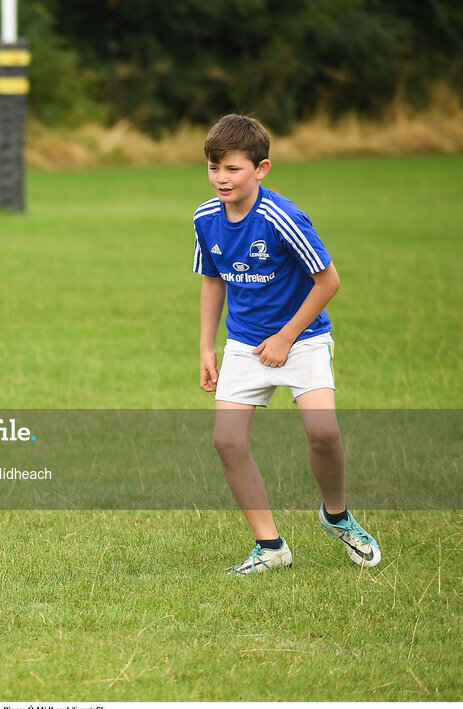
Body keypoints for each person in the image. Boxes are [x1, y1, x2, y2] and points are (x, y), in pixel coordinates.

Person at [192, 114, 381, 575]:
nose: (221, 178)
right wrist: (206, 347)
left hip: (304, 338)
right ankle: (270, 545)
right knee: (227, 441)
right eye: (215, 167)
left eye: (233, 168)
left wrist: (286, 337)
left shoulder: (281, 217)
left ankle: (336, 515)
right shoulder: (205, 218)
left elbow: (328, 281)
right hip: (244, 344)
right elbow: (213, 281)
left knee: (323, 433)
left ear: (262, 169)